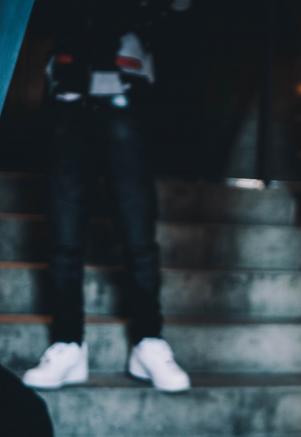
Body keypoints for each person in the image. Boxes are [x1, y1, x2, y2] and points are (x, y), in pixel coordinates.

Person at [22, 0, 191, 393]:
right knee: (64, 233)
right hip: (68, 93)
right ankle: (68, 344)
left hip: (126, 94)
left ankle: (148, 340)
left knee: (138, 235)